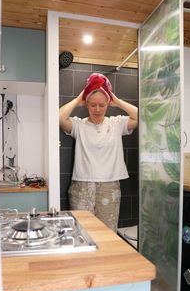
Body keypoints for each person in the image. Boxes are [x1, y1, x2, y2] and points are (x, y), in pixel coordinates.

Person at [59, 72, 138, 232]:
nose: (97, 109)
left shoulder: (116, 124)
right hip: (82, 186)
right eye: (92, 104)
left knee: (108, 233)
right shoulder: (78, 125)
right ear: (86, 105)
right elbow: (59, 117)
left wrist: (117, 101)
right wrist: (77, 100)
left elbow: (141, 117)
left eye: (102, 105)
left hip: (109, 186)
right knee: (81, 231)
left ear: (108, 105)